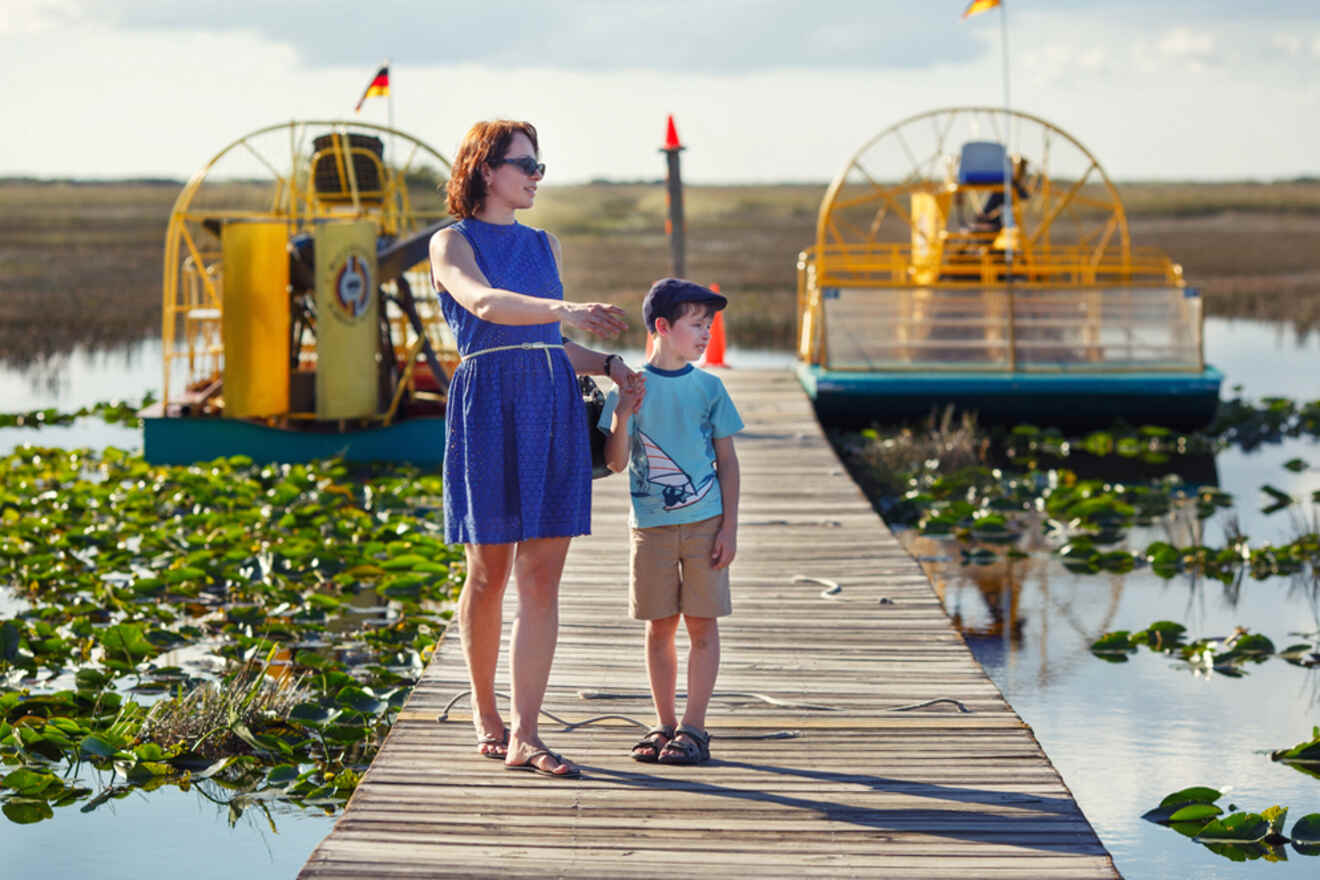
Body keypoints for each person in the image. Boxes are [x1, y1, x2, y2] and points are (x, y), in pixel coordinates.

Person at [428, 120, 645, 779]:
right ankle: (485, 715)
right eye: (527, 164)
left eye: (540, 166)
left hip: (550, 399)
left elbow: (548, 342)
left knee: (542, 576)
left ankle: (526, 732)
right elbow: (487, 305)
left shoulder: (543, 242)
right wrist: (569, 306)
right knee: (489, 572)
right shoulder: (451, 241)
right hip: (488, 401)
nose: (537, 176)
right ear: (486, 170)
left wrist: (607, 361)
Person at [598, 278, 743, 765]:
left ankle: (694, 728)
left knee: (702, 624)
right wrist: (622, 413)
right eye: (696, 325)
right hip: (651, 527)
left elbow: (728, 461)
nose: (706, 335)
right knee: (660, 626)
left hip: (706, 525)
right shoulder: (632, 385)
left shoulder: (710, 388)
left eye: (710, 326)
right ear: (662, 327)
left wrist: (729, 528)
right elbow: (617, 463)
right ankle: (663, 724)